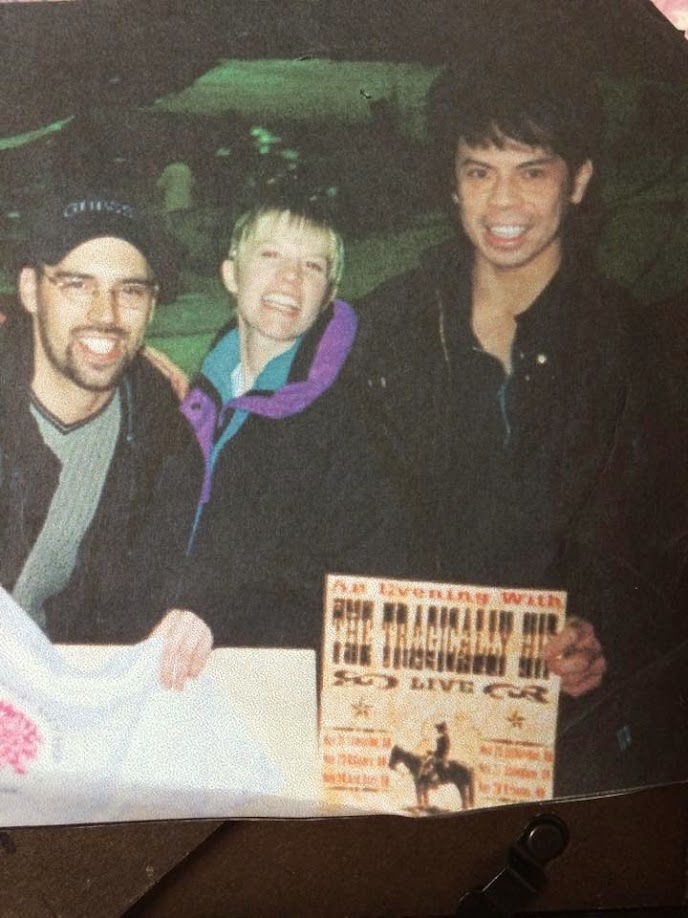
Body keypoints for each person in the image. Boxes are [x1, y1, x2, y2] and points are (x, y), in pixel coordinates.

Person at [348, 57, 679, 793]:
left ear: (578, 181)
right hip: (401, 698)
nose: (503, 201)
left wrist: (603, 632)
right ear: (452, 182)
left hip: (573, 731)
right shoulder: (387, 325)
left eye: (532, 172)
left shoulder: (634, 345)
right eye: (479, 171)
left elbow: (662, 540)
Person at [128, 188, 408, 649]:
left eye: (312, 266)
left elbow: (358, 590)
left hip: (266, 669)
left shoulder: (352, 425)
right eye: (271, 255)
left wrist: (220, 615)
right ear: (231, 274)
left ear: (327, 296)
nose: (290, 278)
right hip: (166, 660)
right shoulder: (196, 402)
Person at [0, 189, 209, 689]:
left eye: (130, 291)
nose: (107, 313)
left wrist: (203, 607)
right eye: (78, 285)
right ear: (30, 291)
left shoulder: (162, 437)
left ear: (151, 307)